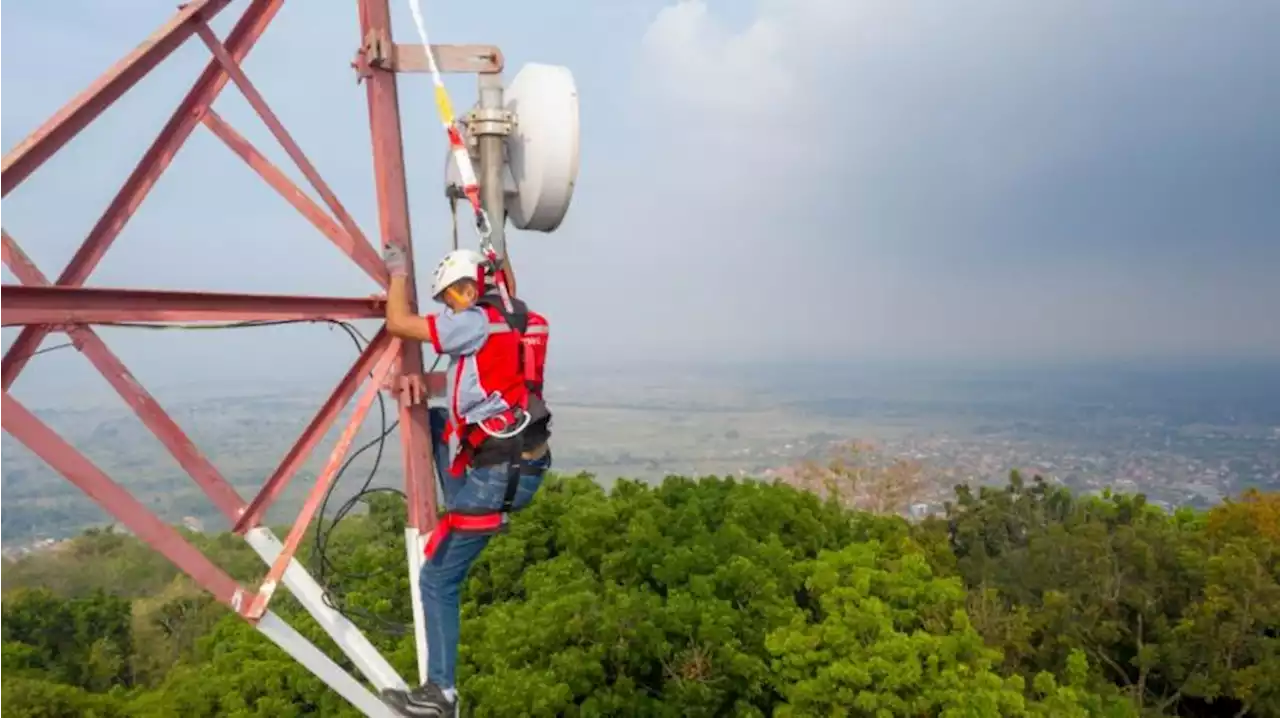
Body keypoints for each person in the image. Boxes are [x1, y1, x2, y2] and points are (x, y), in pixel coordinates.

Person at [378, 242, 552, 718]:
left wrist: (396, 275)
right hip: (522, 466)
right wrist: (497, 251)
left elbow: (399, 324)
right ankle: (462, 512)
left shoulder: (474, 321)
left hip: (494, 476)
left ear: (468, 287)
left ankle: (441, 694)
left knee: (436, 579)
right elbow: (506, 288)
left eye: (452, 296)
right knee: (437, 425)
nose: (451, 308)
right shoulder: (520, 317)